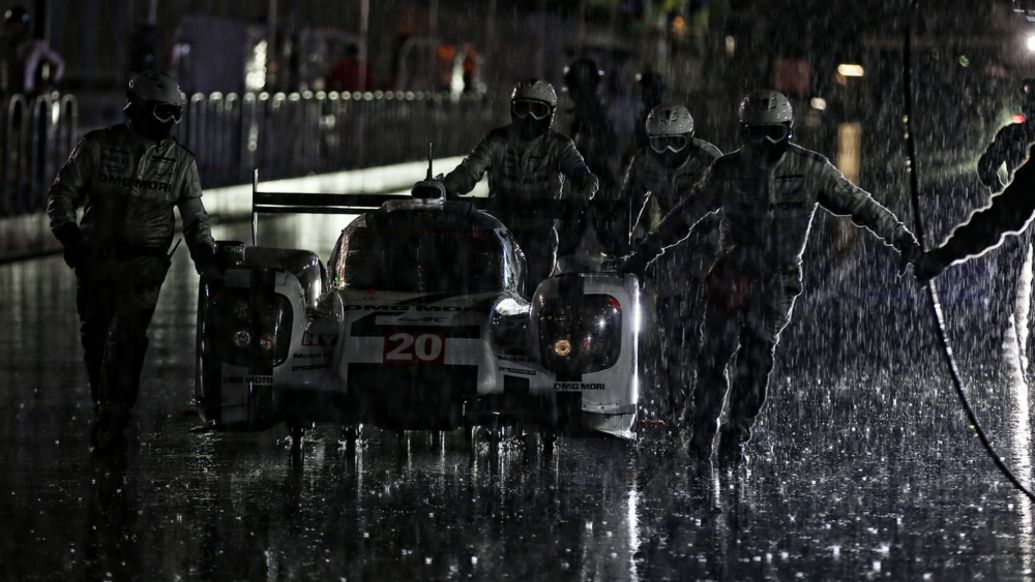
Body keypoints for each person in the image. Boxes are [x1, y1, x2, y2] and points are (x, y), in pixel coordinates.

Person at [621, 90, 921, 464]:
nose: (763, 145)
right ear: (744, 132)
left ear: (788, 131)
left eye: (773, 134)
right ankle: (702, 437)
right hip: (731, 273)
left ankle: (735, 436)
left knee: (757, 359)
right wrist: (646, 253)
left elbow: (860, 204)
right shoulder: (727, 170)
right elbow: (684, 216)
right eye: (755, 134)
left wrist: (901, 239)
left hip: (777, 279)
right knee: (713, 359)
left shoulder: (811, 169)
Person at [46, 70, 215, 455]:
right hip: (94, 261)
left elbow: (195, 217)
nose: (170, 124)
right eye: (161, 113)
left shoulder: (181, 164)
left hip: (144, 266)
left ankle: (116, 416)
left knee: (127, 340)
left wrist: (204, 253)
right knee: (95, 337)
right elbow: (62, 194)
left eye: (176, 114)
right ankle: (105, 407)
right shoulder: (96, 147)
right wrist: (69, 235)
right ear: (135, 109)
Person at [441, 79, 598, 291]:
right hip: (498, 233)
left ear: (550, 114)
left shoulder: (559, 146)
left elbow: (585, 177)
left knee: (534, 291)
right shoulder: (497, 140)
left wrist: (581, 195)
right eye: (523, 108)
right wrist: (445, 187)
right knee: (485, 287)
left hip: (539, 235)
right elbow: (469, 172)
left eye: (538, 110)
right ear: (513, 110)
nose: (530, 117)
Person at [620, 104, 722, 425]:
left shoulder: (710, 160)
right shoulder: (644, 161)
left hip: (708, 240)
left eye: (676, 143)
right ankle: (676, 399)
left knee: (701, 328)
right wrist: (624, 244)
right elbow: (628, 205)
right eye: (659, 144)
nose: (668, 153)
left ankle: (704, 397)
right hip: (669, 242)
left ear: (690, 139)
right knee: (669, 325)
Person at [967, 78, 1035, 349]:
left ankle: (995, 328)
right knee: (1009, 270)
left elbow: (985, 168)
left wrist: (1001, 189)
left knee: (1008, 272)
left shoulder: (1011, 135)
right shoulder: (1013, 136)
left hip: (1018, 209)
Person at [1, 4, 64, 96]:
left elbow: (59, 64)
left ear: (25, 26)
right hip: (7, 94)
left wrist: (51, 83)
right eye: (12, 24)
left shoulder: (36, 46)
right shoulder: (4, 46)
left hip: (30, 95)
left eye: (18, 24)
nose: (15, 28)